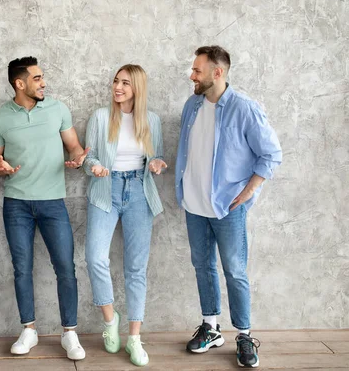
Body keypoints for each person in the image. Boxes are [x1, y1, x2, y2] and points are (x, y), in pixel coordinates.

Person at [176, 45, 282, 368]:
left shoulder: (244, 108)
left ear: (216, 73)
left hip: (227, 208)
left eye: (197, 70)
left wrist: (249, 191)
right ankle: (211, 327)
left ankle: (245, 335)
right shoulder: (191, 106)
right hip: (194, 206)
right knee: (202, 266)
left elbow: (271, 154)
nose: (192, 75)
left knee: (235, 271)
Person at [0, 56, 89, 361]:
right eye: (37, 78)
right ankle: (28, 329)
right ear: (20, 83)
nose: (44, 83)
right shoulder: (0, 118)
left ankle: (69, 333)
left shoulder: (57, 109)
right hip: (16, 204)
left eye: (43, 77)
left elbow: (74, 147)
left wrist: (79, 158)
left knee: (66, 268)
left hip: (53, 202)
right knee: (22, 269)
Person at [83, 64, 166, 366]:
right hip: (106, 189)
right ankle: (109, 320)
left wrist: (156, 164)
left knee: (136, 269)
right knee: (94, 257)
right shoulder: (101, 117)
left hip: (139, 192)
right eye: (116, 81)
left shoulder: (152, 121)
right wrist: (92, 166)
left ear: (137, 89)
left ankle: (134, 338)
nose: (117, 87)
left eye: (125, 83)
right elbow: (88, 156)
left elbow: (155, 156)